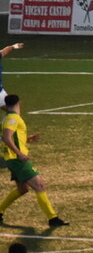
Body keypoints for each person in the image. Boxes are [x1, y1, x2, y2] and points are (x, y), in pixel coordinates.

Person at [0, 96, 68, 229]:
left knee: (22, 189)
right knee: (40, 185)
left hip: (12, 159)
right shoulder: (13, 118)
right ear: (19, 103)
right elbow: (7, 138)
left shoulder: (8, 118)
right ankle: (52, 218)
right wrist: (20, 153)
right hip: (17, 160)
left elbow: (13, 138)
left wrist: (27, 139)